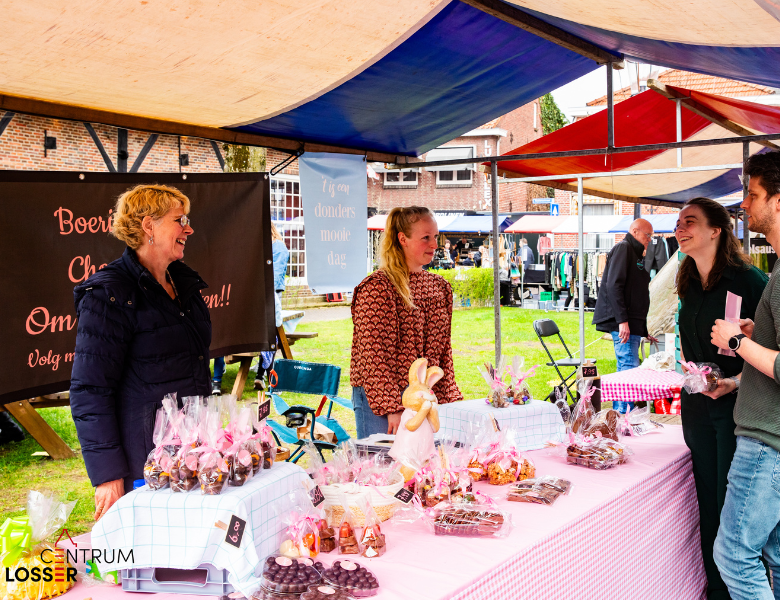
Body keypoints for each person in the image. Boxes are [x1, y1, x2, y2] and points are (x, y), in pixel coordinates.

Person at [70, 184, 211, 520]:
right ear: (149, 225)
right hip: (144, 456)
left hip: (191, 447)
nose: (188, 229)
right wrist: (107, 475)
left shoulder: (184, 285)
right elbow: (90, 390)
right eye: (179, 220)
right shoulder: (110, 294)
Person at [675, 197, 767, 600]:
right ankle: (716, 590)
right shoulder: (686, 277)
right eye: (678, 222)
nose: (681, 228)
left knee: (734, 512)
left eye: (690, 221)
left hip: (739, 410)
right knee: (707, 505)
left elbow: (770, 352)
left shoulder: (750, 281)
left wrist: (731, 382)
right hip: (697, 408)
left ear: (716, 230)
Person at [711, 151, 780, 599]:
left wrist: (738, 344)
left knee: (733, 554)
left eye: (751, 194)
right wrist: (748, 358)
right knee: (775, 556)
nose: (744, 204)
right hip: (770, 438)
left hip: (767, 445)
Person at [350, 206, 463, 438]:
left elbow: (443, 352)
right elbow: (374, 354)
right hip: (380, 396)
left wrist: (449, 396)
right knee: (383, 470)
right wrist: (391, 407)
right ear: (403, 239)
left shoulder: (440, 287)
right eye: (425, 238)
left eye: (435, 236)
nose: (434, 244)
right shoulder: (377, 288)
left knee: (424, 470)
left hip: (425, 395)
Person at [592, 218, 655, 411]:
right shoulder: (624, 248)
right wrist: (623, 321)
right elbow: (614, 285)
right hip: (623, 322)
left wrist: (642, 330)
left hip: (631, 323)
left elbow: (634, 293)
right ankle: (622, 415)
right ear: (635, 232)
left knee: (626, 368)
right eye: (648, 235)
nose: (649, 240)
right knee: (629, 367)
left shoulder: (635, 253)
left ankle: (620, 415)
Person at [255, 223, 290, 390]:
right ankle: (262, 375)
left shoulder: (278, 247)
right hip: (261, 294)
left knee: (270, 334)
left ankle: (263, 375)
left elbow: (275, 275)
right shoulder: (265, 247)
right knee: (266, 334)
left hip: (271, 295)